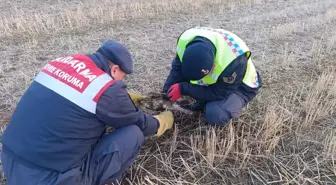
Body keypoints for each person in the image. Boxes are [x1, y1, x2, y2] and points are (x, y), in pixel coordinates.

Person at [0, 40, 174, 185]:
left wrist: (125, 97)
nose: (123, 81)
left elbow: (76, 92)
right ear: (114, 69)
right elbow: (141, 123)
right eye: (123, 76)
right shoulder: (107, 90)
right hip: (49, 178)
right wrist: (163, 121)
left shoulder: (59, 63)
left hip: (10, 161)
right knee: (133, 133)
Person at [162, 27, 262, 126]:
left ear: (213, 66)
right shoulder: (185, 40)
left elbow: (219, 92)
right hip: (216, 80)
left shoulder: (234, 60)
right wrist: (165, 94)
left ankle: (235, 102)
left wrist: (183, 88)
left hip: (241, 86)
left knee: (215, 114)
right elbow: (177, 70)